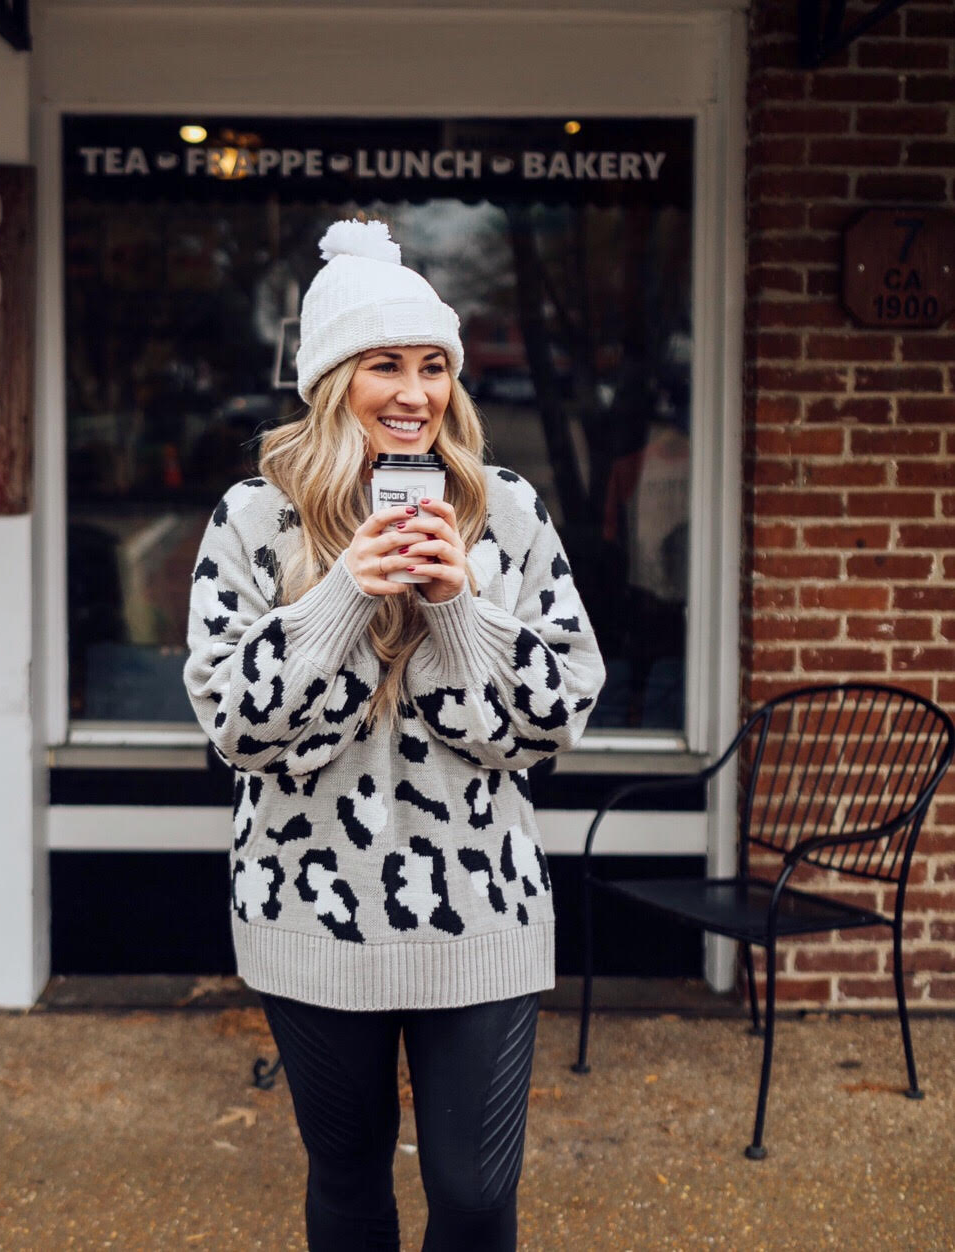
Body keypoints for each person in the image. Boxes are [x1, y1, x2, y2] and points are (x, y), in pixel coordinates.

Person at [183, 219, 606, 1252]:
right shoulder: (253, 518)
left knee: (471, 1190)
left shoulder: (503, 509)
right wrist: (342, 594)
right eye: (385, 364)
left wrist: (462, 605)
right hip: (312, 909)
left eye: (432, 366)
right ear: (333, 380)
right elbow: (238, 725)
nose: (415, 391)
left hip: (479, 909)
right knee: (350, 1177)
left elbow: (555, 716)